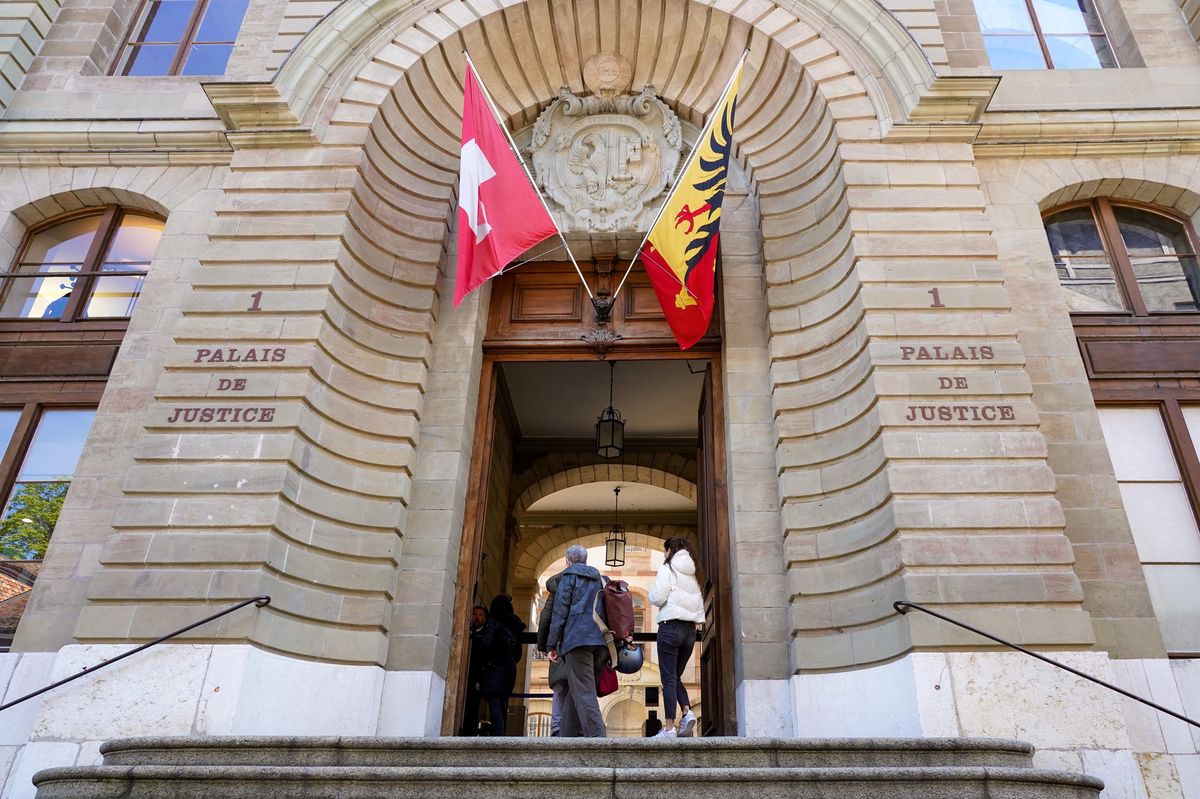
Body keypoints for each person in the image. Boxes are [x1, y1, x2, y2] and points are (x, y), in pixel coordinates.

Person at [545, 544, 609, 738]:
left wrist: (551, 645)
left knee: (584, 692)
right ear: (586, 560)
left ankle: (598, 739)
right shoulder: (601, 579)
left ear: (568, 561)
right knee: (577, 690)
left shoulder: (568, 577)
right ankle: (566, 738)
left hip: (577, 641)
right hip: (601, 642)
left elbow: (560, 613)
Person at [648, 536, 704, 737]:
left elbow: (658, 596)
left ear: (670, 550)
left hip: (670, 627)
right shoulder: (694, 572)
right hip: (689, 631)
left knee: (668, 679)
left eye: (665, 551)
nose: (664, 555)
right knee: (675, 676)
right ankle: (687, 712)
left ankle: (669, 727)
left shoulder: (667, 569)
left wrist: (650, 595)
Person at [478, 594, 526, 736]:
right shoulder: (516, 624)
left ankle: (498, 735)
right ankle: (499, 732)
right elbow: (518, 653)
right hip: (510, 666)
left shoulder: (494, 621)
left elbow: (486, 643)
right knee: (502, 700)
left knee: (494, 699)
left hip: (495, 665)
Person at [536, 573, 568, 735]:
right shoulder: (591, 583)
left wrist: (545, 646)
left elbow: (545, 618)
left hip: (559, 644)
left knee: (559, 687)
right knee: (581, 687)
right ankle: (578, 728)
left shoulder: (557, 588)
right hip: (582, 644)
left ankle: (556, 728)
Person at [459, 605, 489, 735]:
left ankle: (469, 732)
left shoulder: (486, 635)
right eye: (474, 614)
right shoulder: (466, 632)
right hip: (462, 675)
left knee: (473, 706)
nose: (476, 617)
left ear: (485, 618)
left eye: (480, 615)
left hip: (476, 676)